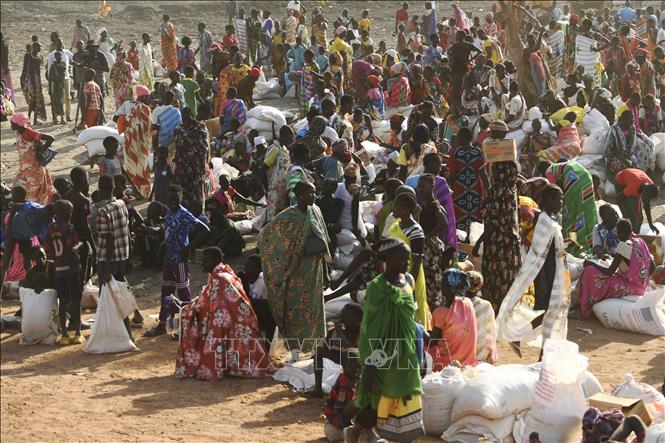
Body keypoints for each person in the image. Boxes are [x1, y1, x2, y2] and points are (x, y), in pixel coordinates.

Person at [351, 237, 424, 443]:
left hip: (406, 351)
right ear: (388, 258)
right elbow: (370, 327)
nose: (406, 263)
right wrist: (371, 362)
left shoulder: (409, 281)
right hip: (383, 353)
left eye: (408, 259)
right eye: (402, 259)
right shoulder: (377, 287)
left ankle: (399, 436)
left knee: (406, 391)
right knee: (381, 396)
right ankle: (358, 429)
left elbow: (411, 318)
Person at [175, 246, 272, 380]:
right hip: (239, 323)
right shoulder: (223, 274)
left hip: (234, 324)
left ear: (216, 261)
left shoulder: (220, 278)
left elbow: (215, 309)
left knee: (213, 325)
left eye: (205, 261)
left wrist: (188, 309)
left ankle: (215, 365)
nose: (201, 264)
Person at [258, 181, 329, 359]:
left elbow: (324, 241)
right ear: (299, 196)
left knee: (313, 310)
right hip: (296, 272)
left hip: (314, 271)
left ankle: (313, 350)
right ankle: (295, 352)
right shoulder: (288, 217)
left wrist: (326, 271)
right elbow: (267, 235)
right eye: (310, 194)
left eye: (314, 193)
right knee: (294, 311)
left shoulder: (317, 211)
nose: (314, 196)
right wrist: (289, 253)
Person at [497, 184, 569, 356]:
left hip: (555, 270)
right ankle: (520, 337)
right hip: (546, 272)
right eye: (559, 198)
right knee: (549, 312)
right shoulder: (543, 220)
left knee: (552, 312)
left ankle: (542, 353)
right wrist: (542, 279)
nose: (561, 202)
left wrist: (565, 244)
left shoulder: (552, 219)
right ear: (550, 199)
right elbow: (538, 251)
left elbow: (551, 247)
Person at [145, 185, 209, 337]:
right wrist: (162, 247)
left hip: (180, 260)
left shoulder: (185, 214)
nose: (173, 202)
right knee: (166, 292)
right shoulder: (168, 212)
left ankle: (189, 327)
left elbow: (205, 229)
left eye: (176, 199)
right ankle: (162, 325)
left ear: (180, 199)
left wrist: (189, 248)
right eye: (171, 199)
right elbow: (169, 232)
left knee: (184, 294)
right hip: (169, 259)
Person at [578, 218, 654, 318]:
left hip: (631, 287)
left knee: (589, 272)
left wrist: (591, 264)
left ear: (620, 232)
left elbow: (609, 272)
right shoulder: (640, 242)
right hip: (641, 287)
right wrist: (641, 279)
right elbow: (653, 266)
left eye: (617, 231)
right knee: (602, 273)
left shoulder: (622, 246)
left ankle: (585, 309)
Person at [473, 159, 521, 311]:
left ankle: (495, 313)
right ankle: (504, 313)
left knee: (494, 279)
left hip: (497, 244)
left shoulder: (499, 190)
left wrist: (479, 242)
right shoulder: (511, 189)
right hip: (510, 243)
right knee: (506, 280)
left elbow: (493, 221)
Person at [94, 175, 135, 339]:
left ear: (100, 188)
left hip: (108, 258)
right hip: (122, 255)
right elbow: (127, 230)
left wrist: (106, 268)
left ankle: (124, 334)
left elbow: (108, 240)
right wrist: (129, 256)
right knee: (119, 293)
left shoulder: (103, 211)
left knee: (110, 297)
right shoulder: (121, 204)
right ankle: (124, 332)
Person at [44, 200, 84, 345]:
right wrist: (81, 245)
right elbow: (73, 245)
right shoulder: (69, 228)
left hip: (59, 269)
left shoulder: (50, 229)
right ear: (67, 214)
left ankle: (65, 335)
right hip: (72, 267)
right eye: (71, 212)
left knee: (63, 300)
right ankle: (78, 333)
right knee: (76, 299)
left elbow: (48, 248)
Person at [388, 192, 430, 329]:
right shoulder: (397, 225)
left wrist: (408, 286)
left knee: (411, 313)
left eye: (396, 207)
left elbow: (417, 261)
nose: (393, 209)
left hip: (409, 275)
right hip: (395, 274)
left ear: (405, 210)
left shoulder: (415, 231)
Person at [306, 302, 362, 399]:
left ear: (356, 319)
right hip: (343, 356)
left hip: (356, 362)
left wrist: (340, 333)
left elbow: (351, 349)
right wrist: (330, 334)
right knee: (319, 350)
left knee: (350, 356)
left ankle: (350, 392)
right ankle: (317, 389)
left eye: (345, 317)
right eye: (341, 316)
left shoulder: (361, 329)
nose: (342, 319)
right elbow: (327, 344)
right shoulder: (345, 326)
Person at [416, 173, 453, 311]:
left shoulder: (433, 205)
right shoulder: (428, 204)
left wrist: (427, 237)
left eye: (423, 186)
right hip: (430, 245)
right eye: (419, 186)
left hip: (430, 248)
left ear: (432, 187)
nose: (419, 189)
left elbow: (443, 222)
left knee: (431, 278)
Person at [429, 268, 477, 371]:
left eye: (443, 284)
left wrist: (418, 328)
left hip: (446, 364)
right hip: (468, 361)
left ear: (447, 287)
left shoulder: (441, 313)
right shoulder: (468, 304)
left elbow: (431, 342)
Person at [546, 161, 598, 254]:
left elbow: (554, 190)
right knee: (587, 211)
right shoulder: (568, 166)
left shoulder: (548, 172)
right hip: (586, 178)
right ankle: (593, 243)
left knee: (569, 217)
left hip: (574, 180)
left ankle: (570, 245)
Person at [447, 126, 488, 234]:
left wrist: (448, 189)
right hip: (475, 190)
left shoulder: (455, 153)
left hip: (459, 191)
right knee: (475, 217)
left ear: (461, 138)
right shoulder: (478, 152)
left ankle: (461, 240)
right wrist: (488, 191)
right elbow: (483, 174)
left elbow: (451, 175)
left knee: (458, 215)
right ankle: (472, 239)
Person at [116, 85, 152, 199]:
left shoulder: (130, 107)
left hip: (131, 144)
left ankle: (136, 191)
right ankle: (143, 192)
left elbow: (118, 120)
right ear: (144, 97)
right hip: (141, 145)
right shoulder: (146, 109)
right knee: (142, 167)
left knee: (132, 168)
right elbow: (148, 127)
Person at [9, 113, 54, 205]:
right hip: (24, 168)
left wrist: (41, 150)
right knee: (17, 187)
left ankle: (36, 210)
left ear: (19, 124)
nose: (11, 126)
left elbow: (50, 138)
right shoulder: (19, 132)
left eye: (12, 123)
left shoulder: (29, 132)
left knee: (34, 192)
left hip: (34, 168)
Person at [173, 107, 209, 204]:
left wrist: (206, 163)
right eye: (184, 118)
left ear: (192, 116)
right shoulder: (178, 129)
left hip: (197, 165)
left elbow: (205, 147)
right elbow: (177, 147)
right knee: (183, 192)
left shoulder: (200, 128)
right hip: (183, 166)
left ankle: (198, 212)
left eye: (187, 118)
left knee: (197, 192)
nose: (186, 120)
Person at [614, 168, 660, 235]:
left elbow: (647, 206)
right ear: (644, 193)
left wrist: (651, 224)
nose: (647, 200)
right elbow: (618, 198)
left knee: (640, 218)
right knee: (631, 218)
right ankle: (626, 236)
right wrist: (625, 213)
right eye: (647, 198)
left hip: (633, 179)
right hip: (620, 181)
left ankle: (635, 237)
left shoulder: (651, 187)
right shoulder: (633, 187)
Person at [20, 42, 46, 125]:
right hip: (29, 81)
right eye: (38, 47)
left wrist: (38, 82)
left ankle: (34, 120)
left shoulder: (39, 57)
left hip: (37, 81)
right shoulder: (28, 56)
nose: (40, 48)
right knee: (31, 100)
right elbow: (24, 68)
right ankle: (28, 119)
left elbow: (38, 71)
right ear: (34, 47)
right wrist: (23, 80)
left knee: (37, 100)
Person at [47, 51, 67, 124]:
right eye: (58, 56)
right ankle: (54, 118)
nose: (60, 57)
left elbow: (62, 74)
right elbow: (51, 76)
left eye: (61, 56)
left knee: (60, 102)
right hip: (54, 86)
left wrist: (57, 79)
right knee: (54, 102)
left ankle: (62, 117)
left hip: (60, 86)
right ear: (55, 57)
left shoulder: (63, 64)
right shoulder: (53, 66)